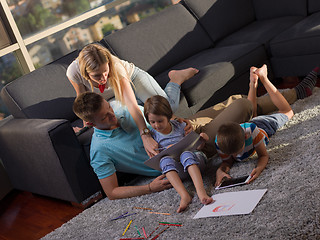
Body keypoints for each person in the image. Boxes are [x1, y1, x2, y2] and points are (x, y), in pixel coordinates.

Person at [72, 91, 253, 201]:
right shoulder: (100, 150)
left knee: (234, 101)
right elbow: (111, 192)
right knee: (242, 105)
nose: (113, 115)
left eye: (109, 108)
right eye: (105, 117)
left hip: (185, 130)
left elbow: (158, 116)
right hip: (196, 150)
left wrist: (179, 120)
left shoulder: (121, 108)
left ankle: (268, 103)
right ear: (90, 124)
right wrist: (148, 188)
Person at [67, 43, 199, 157]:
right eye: (96, 75)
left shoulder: (116, 66)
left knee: (167, 109)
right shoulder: (73, 72)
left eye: (105, 71)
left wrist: (146, 135)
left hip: (132, 79)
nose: (103, 78)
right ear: (85, 73)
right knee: (120, 114)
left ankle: (176, 78)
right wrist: (86, 129)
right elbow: (85, 103)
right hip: (110, 98)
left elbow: (131, 104)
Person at [214, 64, 296, 187]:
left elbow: (263, 155)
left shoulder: (252, 132)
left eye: (237, 152)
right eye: (233, 154)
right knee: (252, 115)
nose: (236, 156)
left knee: (287, 112)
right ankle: (253, 83)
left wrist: (259, 168)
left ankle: (264, 78)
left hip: (263, 126)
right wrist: (220, 171)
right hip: (246, 126)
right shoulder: (220, 142)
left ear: (247, 137)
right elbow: (227, 162)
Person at [143, 95, 214, 212]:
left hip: (195, 162)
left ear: (169, 116)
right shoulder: (153, 137)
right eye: (152, 122)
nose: (156, 125)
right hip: (178, 171)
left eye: (160, 121)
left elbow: (197, 148)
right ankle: (184, 195)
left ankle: (201, 192)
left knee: (186, 154)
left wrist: (202, 140)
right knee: (164, 161)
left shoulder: (181, 126)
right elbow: (156, 159)